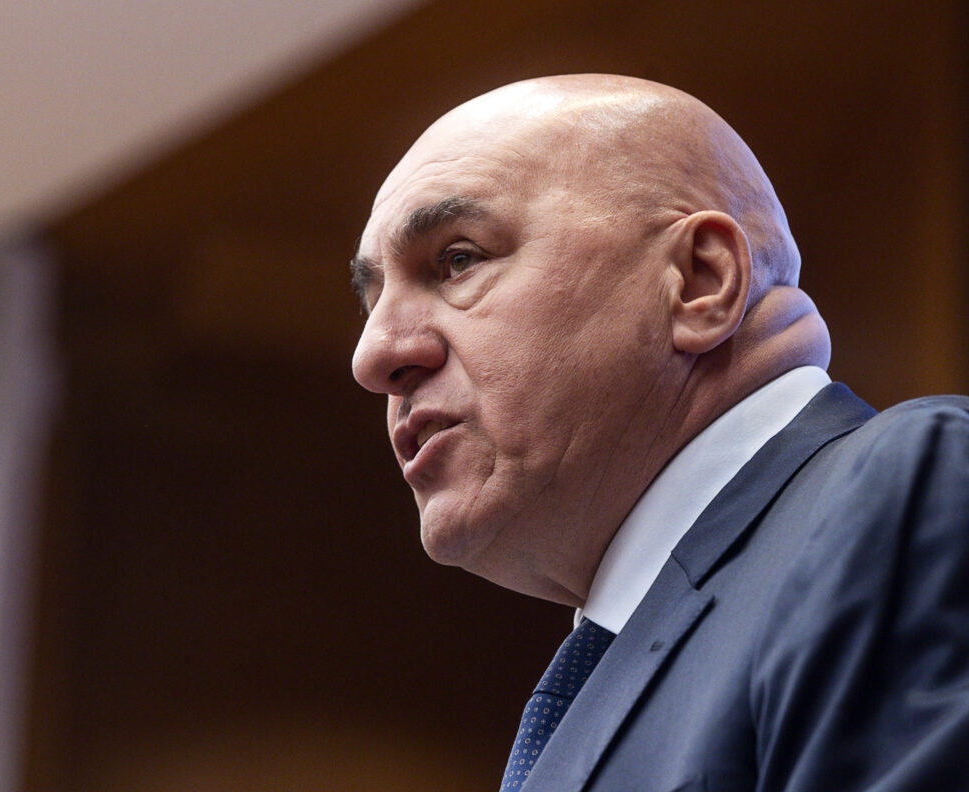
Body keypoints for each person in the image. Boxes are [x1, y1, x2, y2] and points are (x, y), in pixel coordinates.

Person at [349, 74, 969, 791]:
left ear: (700, 281)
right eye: (372, 302)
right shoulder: (604, 676)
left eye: (458, 260)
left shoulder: (907, 491)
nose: (373, 356)